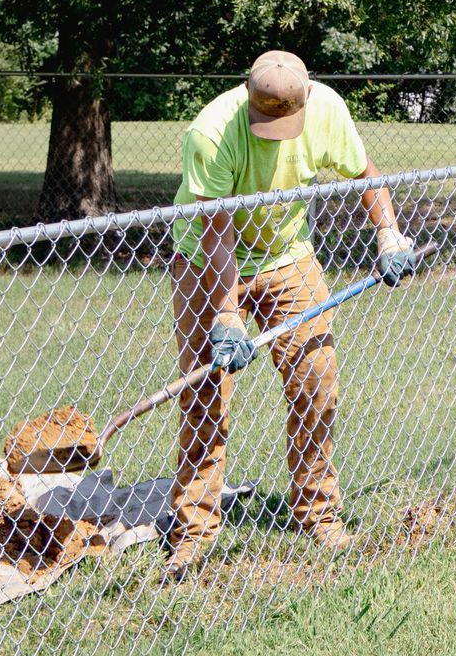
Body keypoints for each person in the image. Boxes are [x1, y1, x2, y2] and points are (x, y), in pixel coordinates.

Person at [165, 50, 419, 577]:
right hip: (203, 258)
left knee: (316, 382)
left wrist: (388, 233)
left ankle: (319, 514)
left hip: (287, 257)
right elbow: (215, 231)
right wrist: (227, 313)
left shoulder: (327, 108)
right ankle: (193, 529)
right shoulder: (211, 132)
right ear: (246, 95)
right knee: (204, 394)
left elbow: (364, 173)